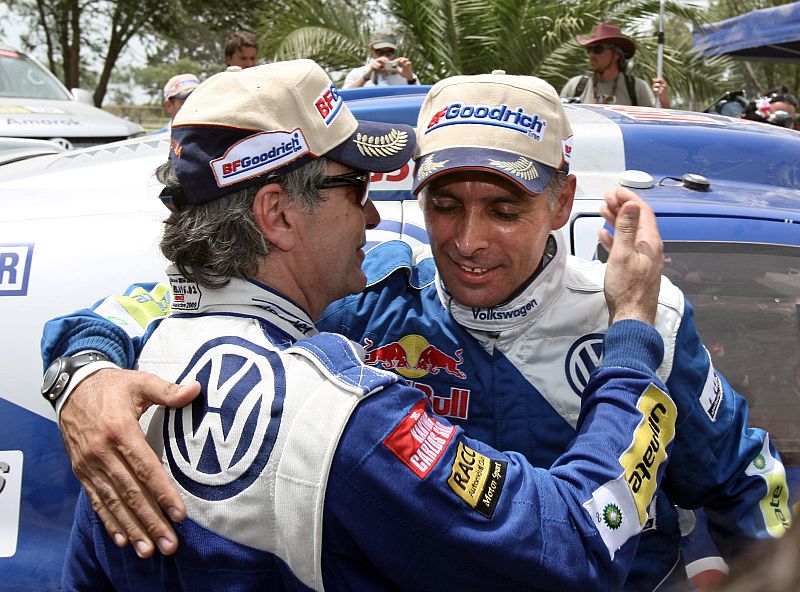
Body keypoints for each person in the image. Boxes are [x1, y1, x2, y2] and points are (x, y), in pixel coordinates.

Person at [43, 72, 791, 590]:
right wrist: (86, 371)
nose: (466, 240)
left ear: (562, 202)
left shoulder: (639, 313)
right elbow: (159, 303)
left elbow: (741, 483)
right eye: (443, 204)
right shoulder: (367, 293)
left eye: (503, 209)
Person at [560, 22, 671, 108]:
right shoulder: (575, 86)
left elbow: (655, 124)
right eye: (589, 50)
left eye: (598, 49)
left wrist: (664, 102)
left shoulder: (636, 88)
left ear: (616, 53)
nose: (591, 55)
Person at [342, 32, 419, 88]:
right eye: (380, 52)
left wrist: (409, 78)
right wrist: (368, 75)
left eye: (390, 52)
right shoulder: (357, 73)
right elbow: (344, 97)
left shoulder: (405, 74)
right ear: (371, 51)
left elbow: (420, 98)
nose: (385, 56)